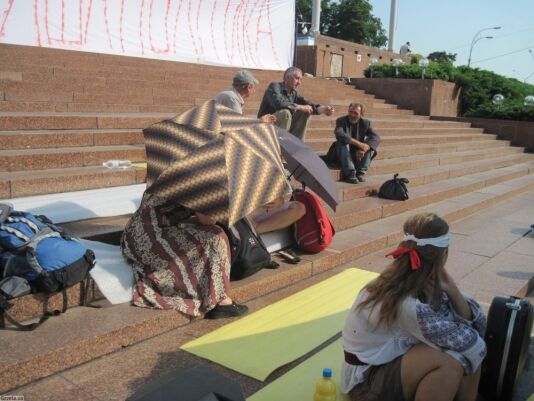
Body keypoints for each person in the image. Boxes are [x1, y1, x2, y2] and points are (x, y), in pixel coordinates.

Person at [341, 213, 486, 401]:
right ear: (443, 255)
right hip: (366, 384)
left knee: (462, 356)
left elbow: (474, 331)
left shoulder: (413, 279)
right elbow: (475, 342)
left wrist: (453, 291)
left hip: (387, 364)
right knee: (451, 364)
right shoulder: (406, 304)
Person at [121, 193, 248, 320]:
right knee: (216, 236)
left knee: (210, 233)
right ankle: (221, 301)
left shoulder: (185, 175)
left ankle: (210, 290)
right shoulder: (203, 181)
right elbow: (207, 220)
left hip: (136, 233)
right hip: (149, 239)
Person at [257, 66, 335, 140]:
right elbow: (279, 103)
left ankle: (296, 144)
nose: (299, 83)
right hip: (266, 124)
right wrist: (299, 107)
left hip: (282, 127)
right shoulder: (274, 86)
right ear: (287, 78)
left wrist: (323, 109)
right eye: (297, 78)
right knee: (285, 113)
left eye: (301, 80)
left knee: (305, 112)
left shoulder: (294, 93)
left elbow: (309, 105)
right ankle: (281, 145)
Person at [334, 103, 380, 184]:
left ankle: (360, 173)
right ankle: (350, 173)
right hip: (342, 153)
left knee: (371, 146)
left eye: (355, 113)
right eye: (350, 112)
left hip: (358, 155)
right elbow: (339, 134)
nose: (352, 115)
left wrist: (365, 148)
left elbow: (376, 137)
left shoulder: (366, 123)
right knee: (341, 142)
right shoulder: (341, 120)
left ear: (361, 114)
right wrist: (359, 144)